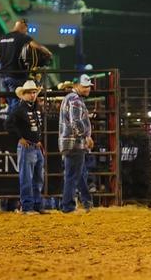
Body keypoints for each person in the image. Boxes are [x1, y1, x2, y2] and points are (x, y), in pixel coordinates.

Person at [4, 80, 46, 214]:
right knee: (27, 178)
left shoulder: (34, 107)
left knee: (38, 178)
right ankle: (27, 207)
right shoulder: (19, 108)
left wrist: (38, 140)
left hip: (35, 146)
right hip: (27, 147)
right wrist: (20, 138)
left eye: (34, 92)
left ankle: (37, 205)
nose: (32, 95)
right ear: (24, 94)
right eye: (29, 93)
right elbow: (8, 124)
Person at [0, 19, 52, 111]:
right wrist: (48, 53)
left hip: (3, 76)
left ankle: (10, 122)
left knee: (11, 102)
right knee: (16, 103)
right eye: (26, 30)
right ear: (23, 27)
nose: (26, 32)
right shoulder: (22, 37)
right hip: (16, 75)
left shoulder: (3, 37)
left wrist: (6, 62)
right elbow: (37, 46)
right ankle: (15, 123)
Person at [59, 74, 94, 213]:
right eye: (84, 86)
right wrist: (86, 136)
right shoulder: (76, 100)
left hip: (69, 142)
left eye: (88, 87)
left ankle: (86, 201)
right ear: (76, 86)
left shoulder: (70, 98)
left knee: (75, 174)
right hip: (75, 143)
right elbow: (76, 122)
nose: (87, 89)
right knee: (73, 175)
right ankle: (68, 206)